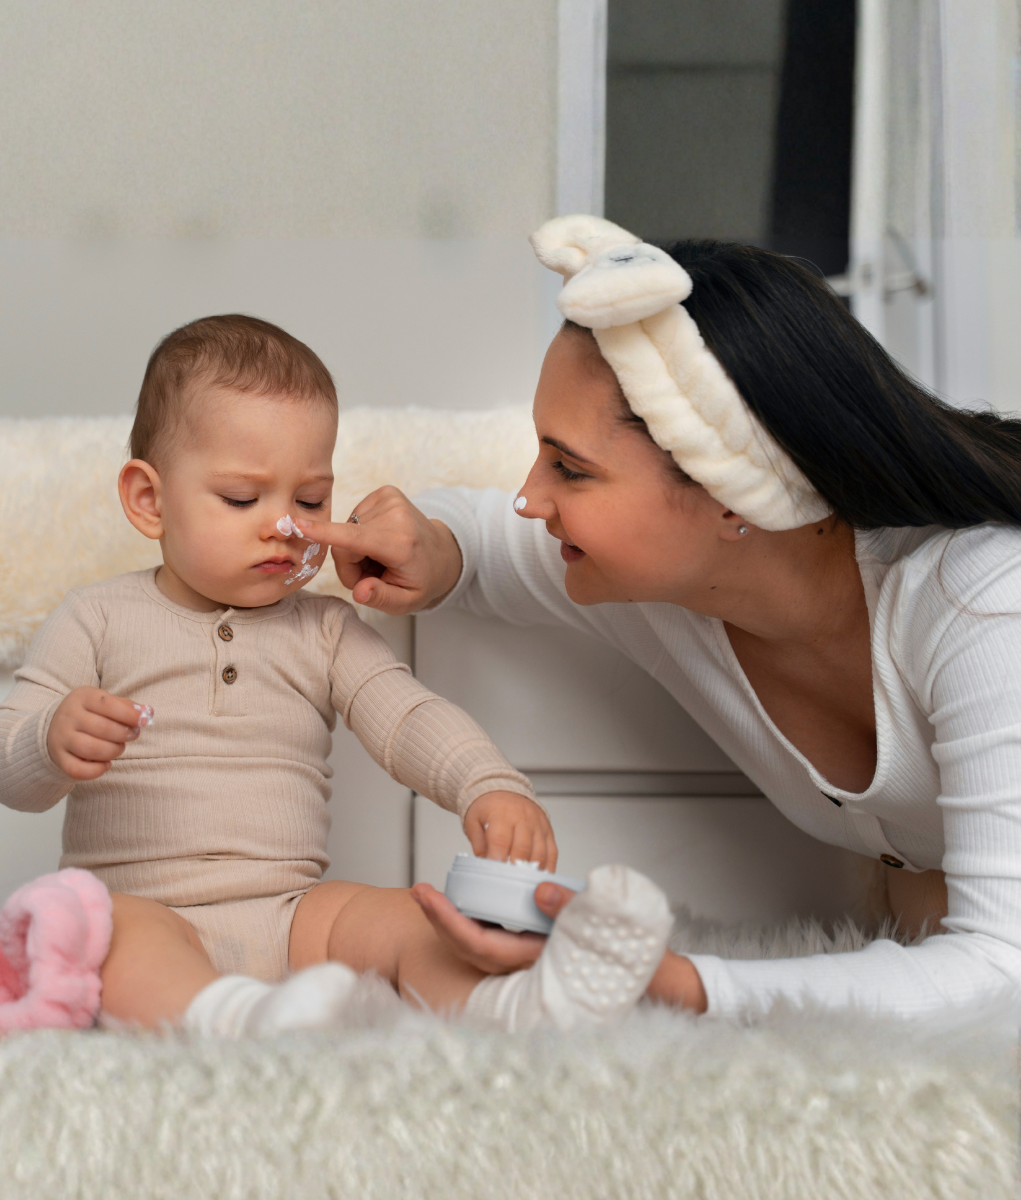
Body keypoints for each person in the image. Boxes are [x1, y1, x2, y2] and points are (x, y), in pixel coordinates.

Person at [299, 215, 1021, 1020]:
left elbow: (1006, 967)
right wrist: (430, 546)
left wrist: (679, 983)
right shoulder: (670, 586)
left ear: (732, 491)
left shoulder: (984, 600)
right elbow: (485, 539)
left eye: (569, 469)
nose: (530, 497)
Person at [0, 313, 673, 1036]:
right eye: (244, 499)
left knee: (405, 915)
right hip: (149, 910)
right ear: (149, 500)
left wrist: (488, 784)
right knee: (102, 936)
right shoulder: (98, 618)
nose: (285, 526)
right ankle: (232, 1019)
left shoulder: (323, 629)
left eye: (310, 500)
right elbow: (1, 765)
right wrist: (49, 741)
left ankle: (510, 1005)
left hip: (290, 915)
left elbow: (407, 717)